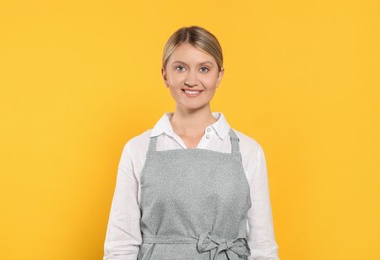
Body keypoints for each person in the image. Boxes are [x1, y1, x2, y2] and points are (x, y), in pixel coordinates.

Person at [103, 26, 279, 260]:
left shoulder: (249, 152)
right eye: (180, 68)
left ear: (219, 76)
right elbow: (120, 245)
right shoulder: (137, 150)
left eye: (204, 69)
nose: (192, 80)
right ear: (165, 74)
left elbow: (262, 247)